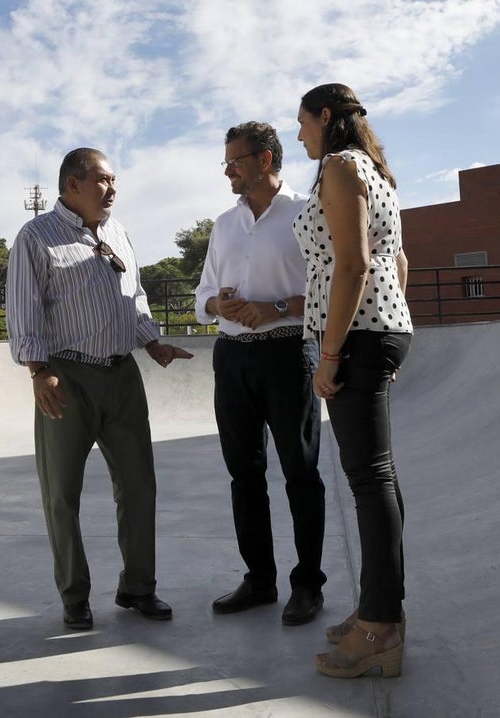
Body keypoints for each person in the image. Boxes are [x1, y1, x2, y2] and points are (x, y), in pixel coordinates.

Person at [6, 147, 194, 631]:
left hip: (122, 375)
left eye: (114, 181)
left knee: (139, 487)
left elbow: (136, 295)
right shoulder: (36, 237)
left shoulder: (118, 233)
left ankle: (139, 588)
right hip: (65, 377)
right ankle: (74, 595)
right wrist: (38, 369)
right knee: (61, 494)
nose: (112, 190)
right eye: (103, 180)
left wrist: (151, 341)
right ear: (72, 184)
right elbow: (24, 310)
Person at [293, 83, 414, 678]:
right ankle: (378, 609)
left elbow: (355, 263)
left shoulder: (340, 167)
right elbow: (399, 264)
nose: (299, 137)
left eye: (302, 125)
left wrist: (331, 354)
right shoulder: (377, 170)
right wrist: (392, 321)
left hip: (356, 337)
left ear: (324, 117)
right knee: (376, 478)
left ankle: (379, 628)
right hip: (380, 328)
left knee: (369, 480)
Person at [194, 122, 326, 626]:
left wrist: (275, 307)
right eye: (225, 161)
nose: (228, 169)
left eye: (236, 160)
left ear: (266, 160)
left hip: (289, 353)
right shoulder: (224, 224)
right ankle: (260, 580)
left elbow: (330, 287)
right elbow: (202, 296)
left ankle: (308, 585)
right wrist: (216, 302)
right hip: (231, 357)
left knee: (300, 473)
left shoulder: (305, 212)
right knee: (243, 474)